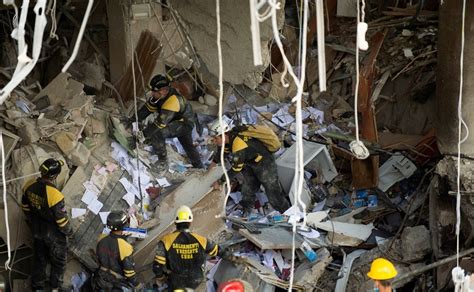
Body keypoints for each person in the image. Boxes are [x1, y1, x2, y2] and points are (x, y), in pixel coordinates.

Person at [208, 120, 290, 214]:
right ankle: (246, 212)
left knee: (273, 194)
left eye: (215, 138)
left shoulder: (238, 143)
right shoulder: (228, 140)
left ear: (223, 135)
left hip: (265, 164)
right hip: (250, 163)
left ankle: (287, 214)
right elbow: (223, 152)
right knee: (247, 190)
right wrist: (212, 164)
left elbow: (236, 169)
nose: (213, 141)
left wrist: (220, 181)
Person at [21, 158, 72, 291]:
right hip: (53, 235)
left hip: (37, 230)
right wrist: (70, 232)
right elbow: (62, 222)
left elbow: (25, 207)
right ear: (54, 176)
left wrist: (33, 220)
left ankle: (37, 287)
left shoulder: (28, 185)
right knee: (59, 262)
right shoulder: (55, 195)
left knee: (40, 259)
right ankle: (55, 287)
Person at [153, 205, 229, 290]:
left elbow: (157, 265)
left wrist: (160, 277)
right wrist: (234, 258)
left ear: (175, 222)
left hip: (177, 283)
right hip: (197, 282)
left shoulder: (166, 241)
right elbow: (220, 251)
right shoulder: (202, 240)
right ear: (190, 222)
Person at [137, 74, 203, 170]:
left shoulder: (173, 100)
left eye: (154, 91)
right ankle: (199, 166)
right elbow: (147, 109)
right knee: (187, 144)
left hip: (185, 123)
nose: (152, 94)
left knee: (158, 133)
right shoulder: (159, 97)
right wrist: (132, 120)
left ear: (164, 91)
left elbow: (159, 124)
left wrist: (142, 135)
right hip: (176, 120)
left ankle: (163, 161)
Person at [92, 211, 141, 291]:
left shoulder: (101, 238)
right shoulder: (125, 247)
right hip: (116, 282)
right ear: (124, 226)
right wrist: (137, 284)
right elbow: (129, 273)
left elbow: (100, 256)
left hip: (100, 277)